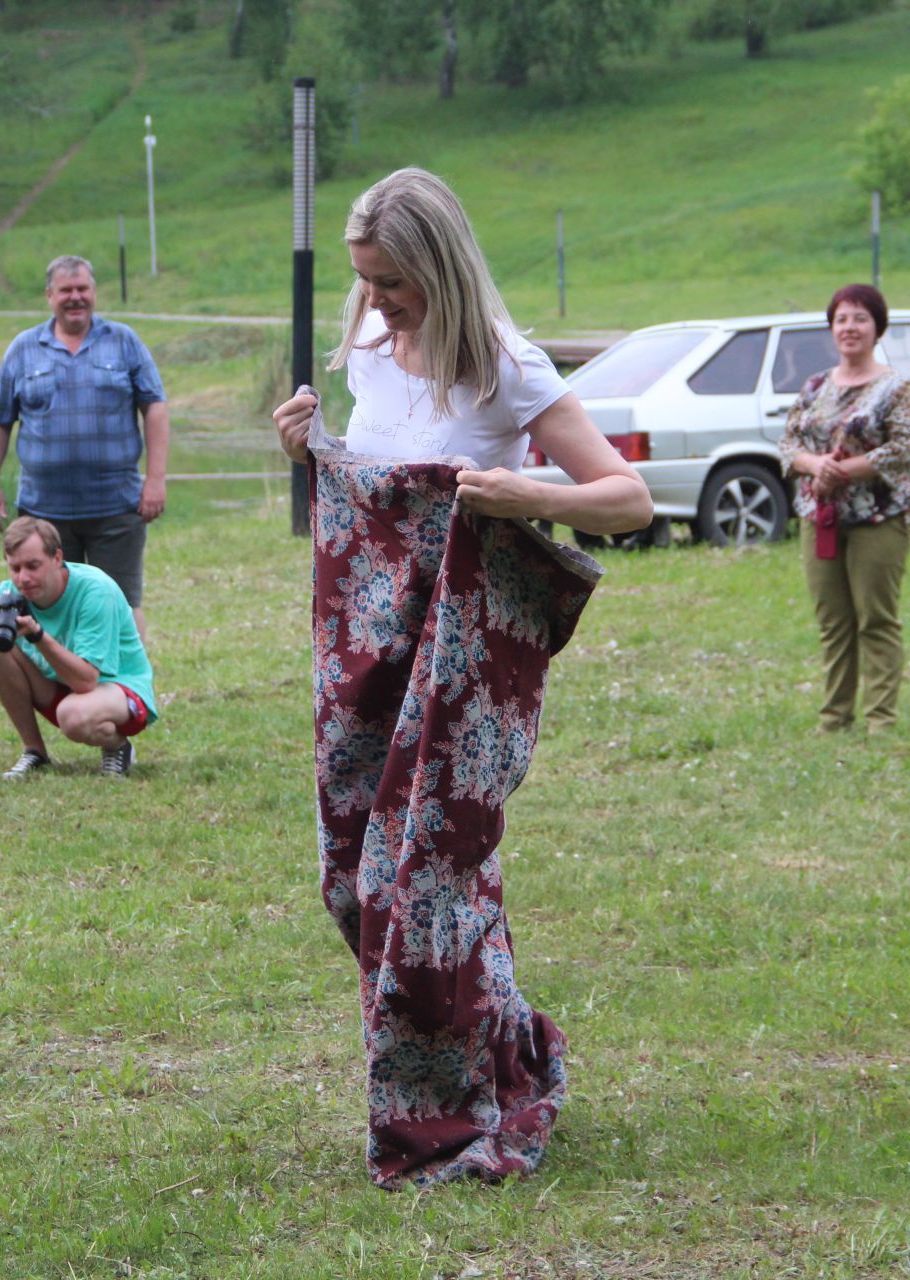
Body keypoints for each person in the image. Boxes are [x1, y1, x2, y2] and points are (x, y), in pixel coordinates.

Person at [270, 167, 650, 1189]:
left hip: (465, 669)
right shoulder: (370, 352)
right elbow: (378, 494)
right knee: (354, 871)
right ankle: (508, 1048)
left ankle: (442, 1112)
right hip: (370, 659)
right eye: (367, 282)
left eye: (393, 283)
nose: (378, 303)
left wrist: (520, 489)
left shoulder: (507, 367)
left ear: (438, 266)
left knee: (423, 875)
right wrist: (315, 449)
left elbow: (628, 496)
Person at [0, 255, 170, 640]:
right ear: (50, 296)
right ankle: (61, 692)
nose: (75, 298)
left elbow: (156, 407)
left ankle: (128, 692)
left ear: (94, 293)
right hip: (43, 514)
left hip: (116, 507)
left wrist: (155, 479)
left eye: (82, 289)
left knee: (121, 605)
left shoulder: (124, 342)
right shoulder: (23, 349)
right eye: (65, 291)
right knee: (48, 608)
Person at [779, 284, 910, 733]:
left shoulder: (895, 387)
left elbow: (903, 448)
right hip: (819, 519)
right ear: (832, 328)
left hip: (878, 520)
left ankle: (881, 720)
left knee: (876, 619)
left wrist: (847, 470)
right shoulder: (815, 386)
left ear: (877, 327)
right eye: (842, 319)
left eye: (860, 318)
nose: (850, 327)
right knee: (834, 623)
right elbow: (788, 446)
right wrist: (815, 464)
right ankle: (834, 719)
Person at [0, 516, 156, 780]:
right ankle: (35, 752)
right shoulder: (8, 594)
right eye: (15, 568)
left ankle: (118, 747)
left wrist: (37, 635)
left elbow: (87, 681)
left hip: (120, 693)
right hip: (67, 690)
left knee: (73, 715)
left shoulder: (95, 590)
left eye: (33, 566)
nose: (23, 578)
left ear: (57, 558)